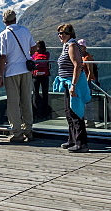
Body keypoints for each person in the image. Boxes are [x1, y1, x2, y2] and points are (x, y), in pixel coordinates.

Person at [0, 9, 37, 142]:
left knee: (13, 103)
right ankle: (29, 130)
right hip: (26, 70)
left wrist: (0, 75)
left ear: (4, 21)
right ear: (15, 19)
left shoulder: (3, 35)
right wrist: (27, 55)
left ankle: (17, 133)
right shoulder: (25, 30)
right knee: (26, 100)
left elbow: (2, 56)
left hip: (11, 71)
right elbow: (34, 47)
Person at [52, 23, 91, 153]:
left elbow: (77, 65)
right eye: (59, 33)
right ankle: (72, 140)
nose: (60, 35)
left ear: (70, 34)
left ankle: (81, 143)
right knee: (69, 113)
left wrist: (73, 85)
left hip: (73, 84)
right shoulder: (67, 45)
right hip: (68, 83)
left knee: (75, 112)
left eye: (62, 33)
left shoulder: (72, 45)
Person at [77, 38, 100, 127]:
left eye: (81, 47)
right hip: (80, 81)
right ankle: (84, 119)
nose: (80, 48)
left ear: (84, 47)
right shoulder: (80, 56)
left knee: (87, 101)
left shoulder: (87, 57)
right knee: (82, 101)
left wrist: (87, 82)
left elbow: (90, 71)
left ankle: (90, 120)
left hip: (86, 82)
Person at [31, 41, 51, 121]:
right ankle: (45, 113)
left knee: (35, 93)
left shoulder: (34, 55)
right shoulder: (47, 54)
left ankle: (36, 112)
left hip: (36, 76)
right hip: (45, 75)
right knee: (45, 93)